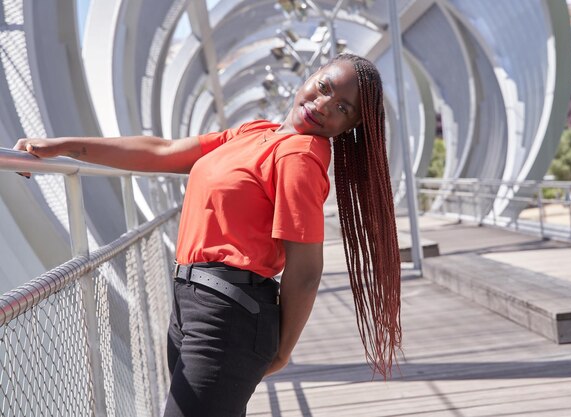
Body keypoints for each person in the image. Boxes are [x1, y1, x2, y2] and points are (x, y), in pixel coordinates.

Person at [14, 53, 401, 416]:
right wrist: (67, 147)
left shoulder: (298, 157)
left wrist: (282, 351)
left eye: (342, 110)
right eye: (325, 87)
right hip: (192, 304)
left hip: (229, 316)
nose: (323, 105)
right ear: (312, 76)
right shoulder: (256, 133)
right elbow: (163, 151)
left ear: (347, 130)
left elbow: (305, 270)